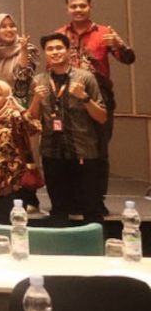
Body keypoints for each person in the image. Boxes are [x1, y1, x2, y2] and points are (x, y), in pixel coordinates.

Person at [56, 0, 135, 215]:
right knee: (70, 150)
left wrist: (120, 43)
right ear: (67, 9)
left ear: (90, 7)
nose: (78, 10)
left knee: (99, 151)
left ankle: (96, 200)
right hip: (68, 99)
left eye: (82, 5)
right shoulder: (60, 34)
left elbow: (128, 59)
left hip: (100, 97)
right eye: (73, 6)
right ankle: (72, 200)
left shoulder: (104, 33)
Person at [33, 32, 107, 224]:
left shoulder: (86, 78)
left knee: (91, 209)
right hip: (52, 153)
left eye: (59, 48)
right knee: (58, 209)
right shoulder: (39, 81)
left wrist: (84, 97)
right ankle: (61, 241)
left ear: (68, 51)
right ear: (45, 53)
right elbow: (31, 119)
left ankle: (95, 242)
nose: (55, 52)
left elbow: (102, 117)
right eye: (50, 49)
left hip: (83, 152)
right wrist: (36, 100)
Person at [0, 12, 42, 212]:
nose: (9, 30)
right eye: (3, 26)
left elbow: (22, 76)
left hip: (19, 108)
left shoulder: (28, 49)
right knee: (1, 156)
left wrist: (24, 50)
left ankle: (28, 199)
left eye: (12, 26)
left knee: (24, 154)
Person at [0, 80, 42, 224]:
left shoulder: (14, 116)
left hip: (14, 183)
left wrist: (20, 109)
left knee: (15, 225)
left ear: (7, 97)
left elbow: (35, 128)